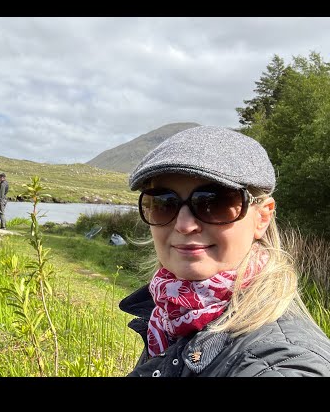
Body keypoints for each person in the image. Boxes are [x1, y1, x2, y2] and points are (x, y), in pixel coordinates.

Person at [119, 125, 330, 377]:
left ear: (262, 217)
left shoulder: (280, 363)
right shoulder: (168, 317)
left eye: (214, 202)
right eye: (164, 203)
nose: (185, 225)